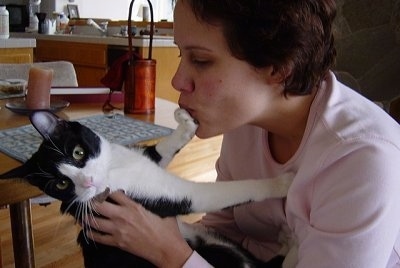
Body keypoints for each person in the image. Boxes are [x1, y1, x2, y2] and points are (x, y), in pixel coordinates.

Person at [87, 0, 400, 267]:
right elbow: (226, 228)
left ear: (279, 67)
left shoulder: (362, 158)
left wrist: (172, 253)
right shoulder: (248, 121)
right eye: (183, 55)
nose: (178, 81)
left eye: (201, 60)